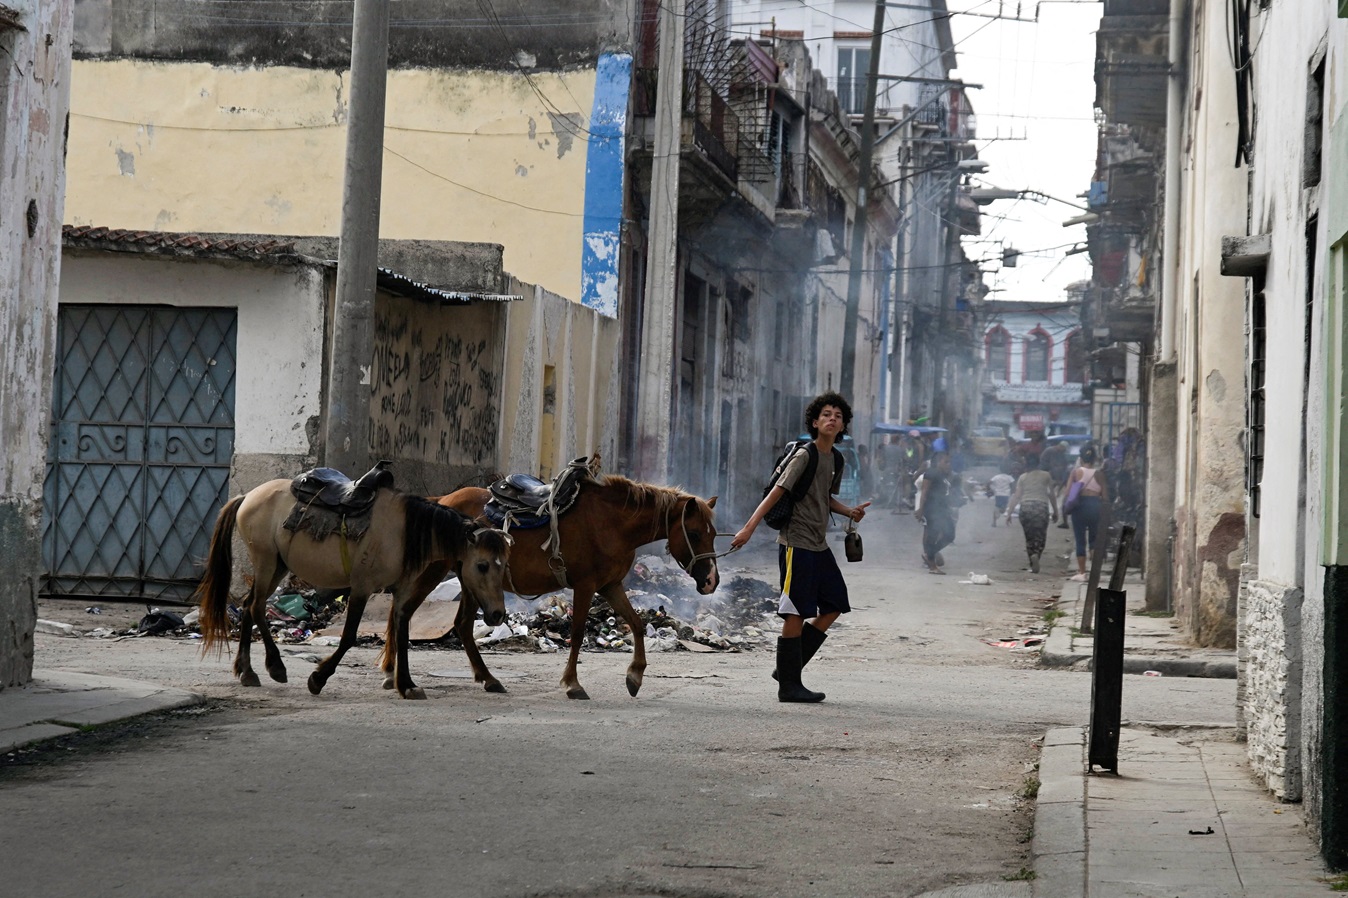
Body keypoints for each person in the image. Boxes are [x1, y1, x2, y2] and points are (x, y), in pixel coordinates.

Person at [732, 392, 869, 703]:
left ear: (843, 425)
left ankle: (787, 670)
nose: (832, 419)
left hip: (818, 544)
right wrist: (749, 528)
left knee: (834, 604)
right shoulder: (804, 455)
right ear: (815, 422)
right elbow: (776, 492)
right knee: (795, 610)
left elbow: (824, 497)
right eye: (826, 414)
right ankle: (789, 686)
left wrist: (849, 511)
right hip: (796, 542)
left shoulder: (836, 459)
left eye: (838, 416)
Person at [1005, 454, 1057, 573]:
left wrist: (1009, 513)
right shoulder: (1046, 475)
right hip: (1041, 507)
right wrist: (1055, 511)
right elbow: (1051, 494)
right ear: (1038, 463)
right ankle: (1036, 554)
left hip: (1026, 507)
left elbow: (1017, 496)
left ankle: (1032, 559)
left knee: (1029, 537)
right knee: (1041, 536)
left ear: (1026, 463)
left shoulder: (1023, 477)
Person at [1066, 445, 1108, 581]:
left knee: (1080, 540)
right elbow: (1105, 496)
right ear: (1095, 459)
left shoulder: (1075, 473)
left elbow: (1068, 493)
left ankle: (1082, 573)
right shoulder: (1100, 474)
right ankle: (1095, 573)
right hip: (1095, 506)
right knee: (1094, 540)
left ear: (1080, 458)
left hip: (1079, 507)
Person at [915, 451, 957, 574]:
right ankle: (932, 566)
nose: (948, 464)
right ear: (938, 462)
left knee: (950, 535)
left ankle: (929, 554)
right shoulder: (931, 473)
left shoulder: (942, 475)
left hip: (942, 509)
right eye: (946, 462)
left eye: (949, 462)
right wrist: (920, 509)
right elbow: (924, 492)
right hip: (932, 509)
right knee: (932, 536)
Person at [1043, 441, 1072, 529]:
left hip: (1057, 479)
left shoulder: (1061, 454)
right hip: (1048, 477)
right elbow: (1044, 463)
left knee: (1055, 497)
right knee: (1047, 495)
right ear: (1060, 446)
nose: (1064, 451)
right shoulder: (1049, 451)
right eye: (1064, 449)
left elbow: (1064, 466)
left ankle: (1053, 512)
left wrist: (1060, 479)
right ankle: (1047, 513)